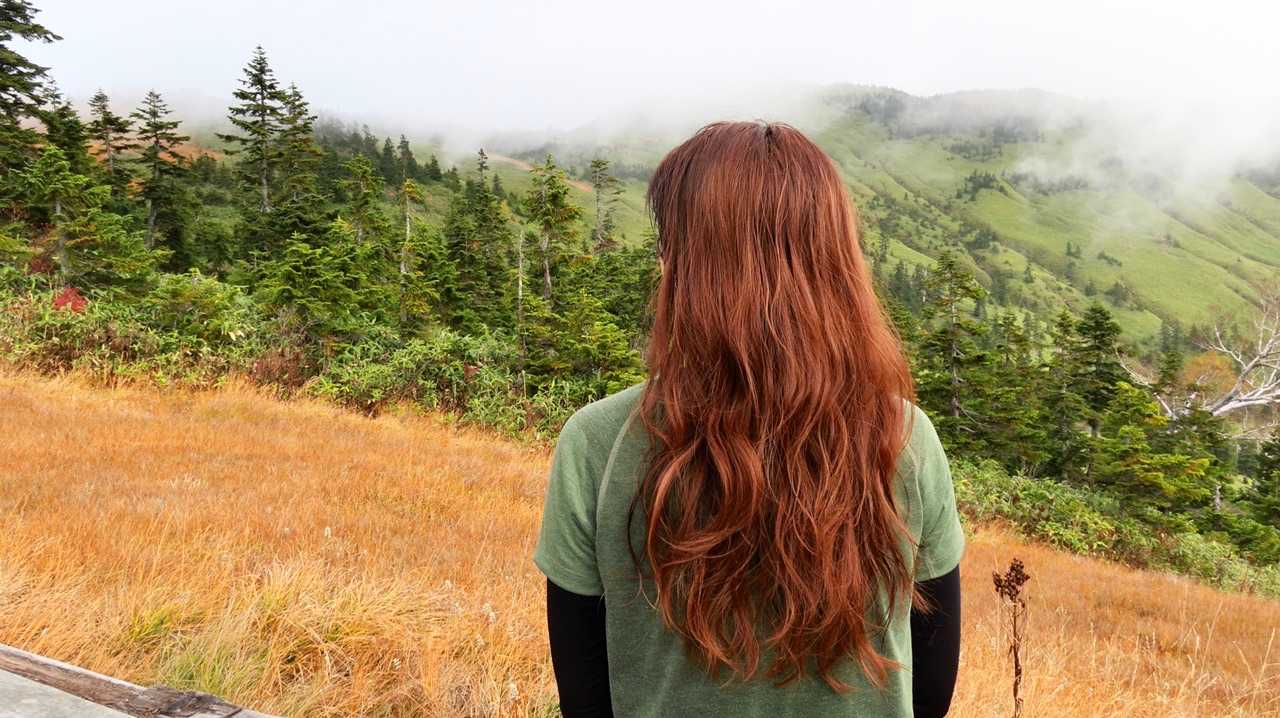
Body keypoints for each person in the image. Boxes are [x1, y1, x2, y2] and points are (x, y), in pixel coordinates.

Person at [534, 121, 964, 718]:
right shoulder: (905, 437)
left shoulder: (597, 442)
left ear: (688, 267)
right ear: (835, 263)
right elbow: (931, 692)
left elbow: (584, 697)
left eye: (668, 245)